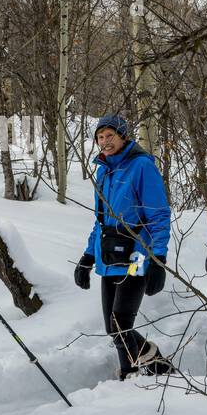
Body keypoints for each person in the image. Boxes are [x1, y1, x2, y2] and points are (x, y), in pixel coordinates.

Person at [73, 114, 173, 380]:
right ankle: (130, 373)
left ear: (123, 136)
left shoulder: (141, 166)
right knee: (113, 327)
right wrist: (87, 257)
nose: (105, 142)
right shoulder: (103, 170)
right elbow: (101, 220)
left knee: (120, 324)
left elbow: (159, 216)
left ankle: (152, 369)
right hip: (108, 255)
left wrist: (158, 260)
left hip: (137, 255)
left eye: (110, 136)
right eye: (100, 137)